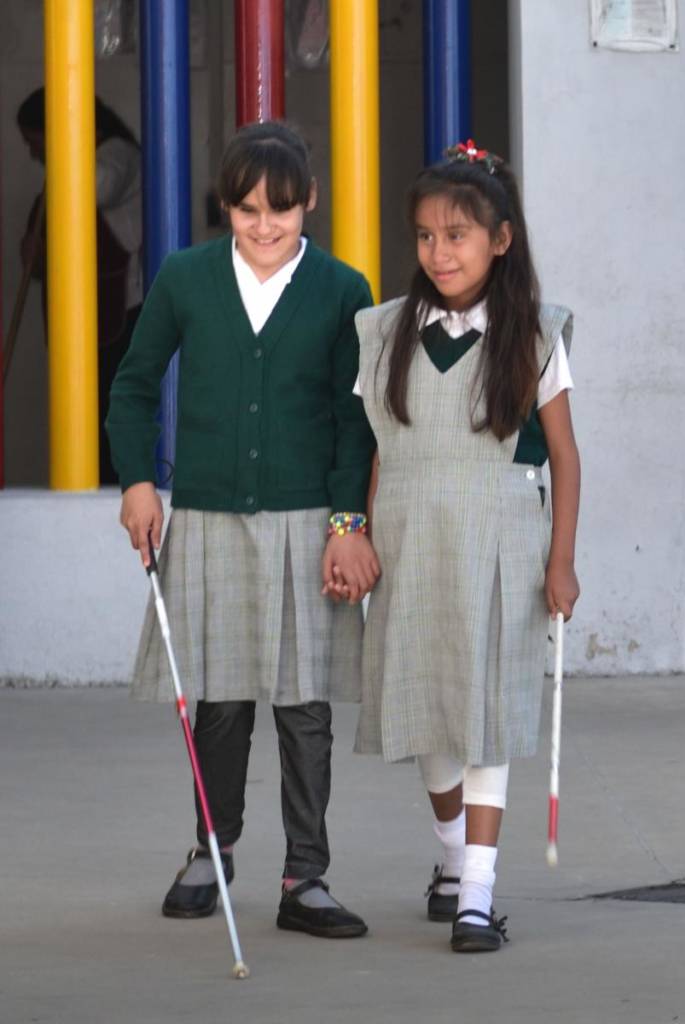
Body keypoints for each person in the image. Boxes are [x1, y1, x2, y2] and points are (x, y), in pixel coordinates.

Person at [106, 121, 380, 937]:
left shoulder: (341, 288)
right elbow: (133, 385)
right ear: (226, 205)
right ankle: (211, 849)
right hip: (209, 517)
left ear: (311, 205)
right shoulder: (186, 277)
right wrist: (138, 484)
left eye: (283, 212)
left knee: (304, 706)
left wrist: (346, 524)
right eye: (249, 209)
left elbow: (353, 419)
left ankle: (307, 877)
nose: (265, 227)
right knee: (220, 702)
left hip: (309, 520)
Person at [349, 141, 580, 953]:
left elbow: (564, 454)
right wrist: (359, 534)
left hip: (505, 547)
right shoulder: (385, 332)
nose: (439, 253)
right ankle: (453, 854)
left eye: (458, 235)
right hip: (412, 542)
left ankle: (476, 892)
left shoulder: (535, 334)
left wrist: (561, 559)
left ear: (501, 240)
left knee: (487, 714)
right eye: (424, 236)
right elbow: (375, 447)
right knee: (428, 716)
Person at [17, 87, 143, 484]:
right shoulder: (66, 171)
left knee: (110, 422)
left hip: (122, 315)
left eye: (35, 141)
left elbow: (95, 187)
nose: (34, 154)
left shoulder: (117, 154)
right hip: (84, 318)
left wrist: (63, 149)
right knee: (81, 422)